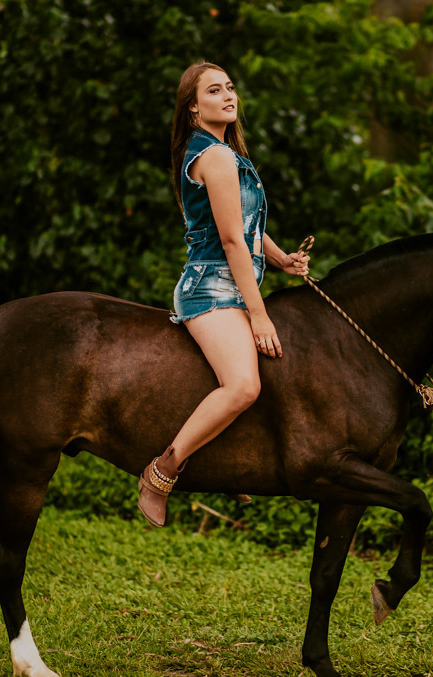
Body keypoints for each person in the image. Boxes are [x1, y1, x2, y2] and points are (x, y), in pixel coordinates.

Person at [137, 61, 310, 527]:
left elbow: (246, 226)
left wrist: (282, 260)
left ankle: (219, 458)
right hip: (211, 288)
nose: (229, 95)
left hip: (236, 281)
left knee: (268, 376)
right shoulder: (213, 157)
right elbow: (231, 242)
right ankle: (161, 472)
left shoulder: (225, 152)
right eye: (215, 91)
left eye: (230, 87)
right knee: (244, 385)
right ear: (194, 109)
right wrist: (259, 316)